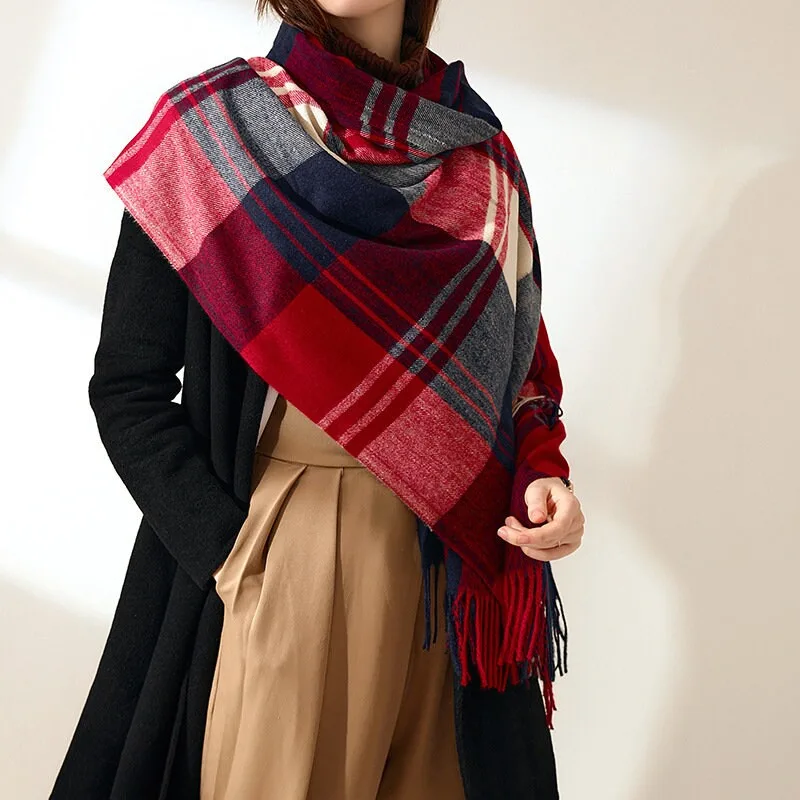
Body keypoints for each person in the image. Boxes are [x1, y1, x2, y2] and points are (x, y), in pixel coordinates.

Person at [51, 1, 586, 798]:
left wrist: (543, 477)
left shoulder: (480, 156)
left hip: (452, 569)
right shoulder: (213, 132)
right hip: (288, 553)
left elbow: (519, 374)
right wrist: (236, 556)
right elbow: (128, 386)